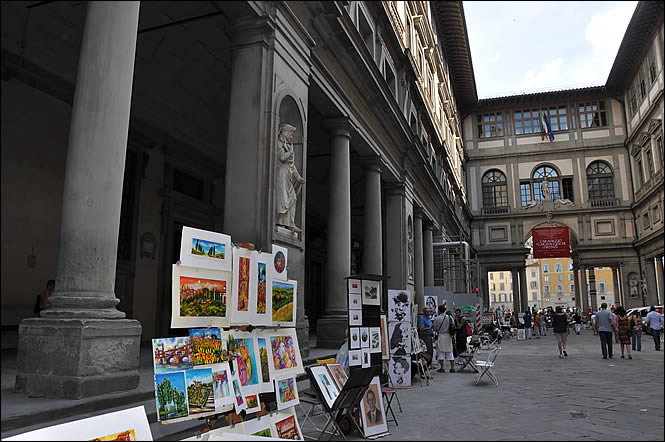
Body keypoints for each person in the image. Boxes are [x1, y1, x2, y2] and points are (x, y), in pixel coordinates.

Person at [275, 123, 305, 232]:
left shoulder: (288, 145)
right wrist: (290, 152)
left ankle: (289, 223)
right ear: (285, 132)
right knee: (283, 198)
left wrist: (298, 177)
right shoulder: (279, 143)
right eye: (291, 134)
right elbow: (282, 157)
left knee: (293, 197)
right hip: (281, 173)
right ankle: (280, 221)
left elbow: (292, 165)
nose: (292, 137)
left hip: (287, 173)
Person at [432, 305, 455, 373]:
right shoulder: (450, 317)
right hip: (448, 336)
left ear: (439, 310)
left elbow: (435, 329)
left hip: (441, 336)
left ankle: (442, 368)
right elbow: (453, 326)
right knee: (450, 352)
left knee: (441, 352)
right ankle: (452, 368)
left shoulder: (436, 318)